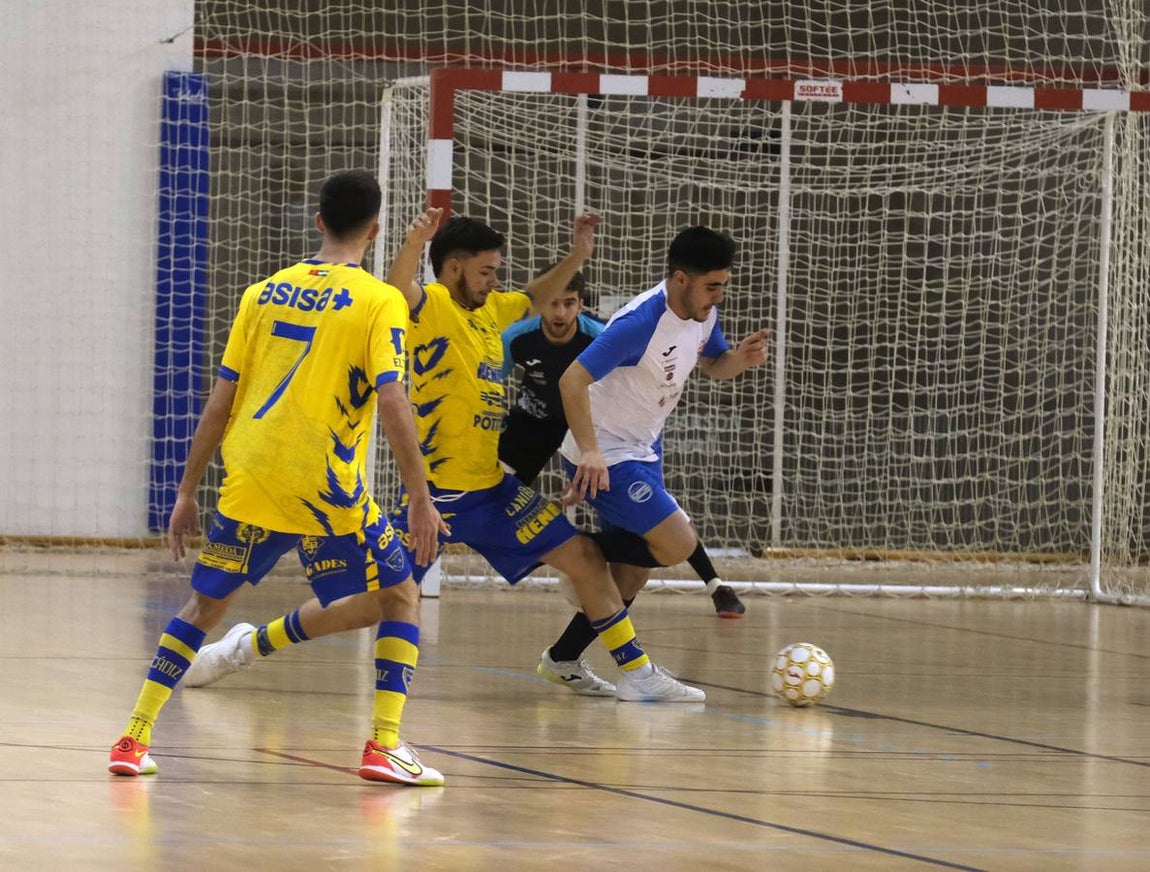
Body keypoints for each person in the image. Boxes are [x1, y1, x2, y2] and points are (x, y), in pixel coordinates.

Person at [192, 207, 705, 704]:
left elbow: (534, 295)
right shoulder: (427, 305)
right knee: (371, 605)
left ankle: (637, 673)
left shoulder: (494, 312)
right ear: (454, 267)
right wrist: (415, 243)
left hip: (494, 490)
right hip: (436, 500)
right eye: (485, 272)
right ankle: (248, 644)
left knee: (586, 559)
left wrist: (577, 255)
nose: (493, 281)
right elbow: (398, 287)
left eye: (497, 272)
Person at [108, 170, 449, 786]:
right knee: (402, 596)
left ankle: (133, 737)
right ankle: (385, 745)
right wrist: (420, 497)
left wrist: (187, 491)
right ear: (374, 231)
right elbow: (394, 400)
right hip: (323, 485)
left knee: (204, 604)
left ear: (318, 222)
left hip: (252, 473)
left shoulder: (260, 292)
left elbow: (221, 401)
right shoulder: (380, 300)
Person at [538, 225, 768, 691]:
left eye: (723, 285)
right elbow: (571, 380)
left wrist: (739, 360)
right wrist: (590, 453)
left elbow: (715, 365)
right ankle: (571, 551)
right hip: (603, 453)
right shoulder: (640, 322)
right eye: (712, 286)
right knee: (678, 543)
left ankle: (562, 659)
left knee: (631, 575)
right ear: (681, 278)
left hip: (642, 450)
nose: (718, 295)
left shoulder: (705, 314)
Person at [499, 269, 747, 619]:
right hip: (537, 424)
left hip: (598, 428)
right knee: (489, 493)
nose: (560, 313)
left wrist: (593, 446)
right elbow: (492, 381)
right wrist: (585, 450)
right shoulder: (518, 337)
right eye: (552, 304)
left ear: (581, 306)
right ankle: (543, 550)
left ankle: (712, 584)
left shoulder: (602, 335)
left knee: (649, 546)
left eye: (569, 304)